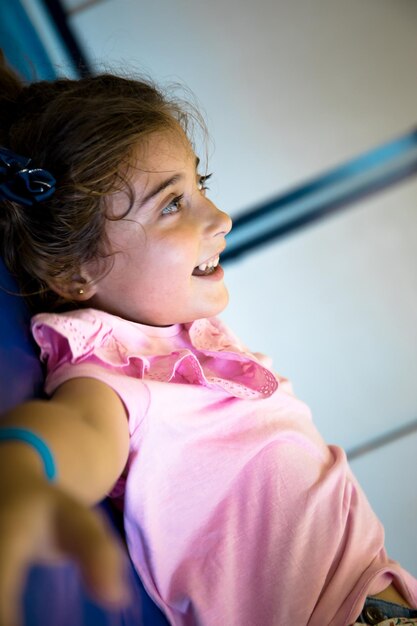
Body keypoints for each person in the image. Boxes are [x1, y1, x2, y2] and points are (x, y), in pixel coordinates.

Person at [0, 52, 416, 626]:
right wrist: (23, 475)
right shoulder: (113, 371)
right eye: (173, 204)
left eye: (201, 186)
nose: (220, 218)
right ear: (76, 271)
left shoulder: (179, 337)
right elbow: (80, 436)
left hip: (381, 590)